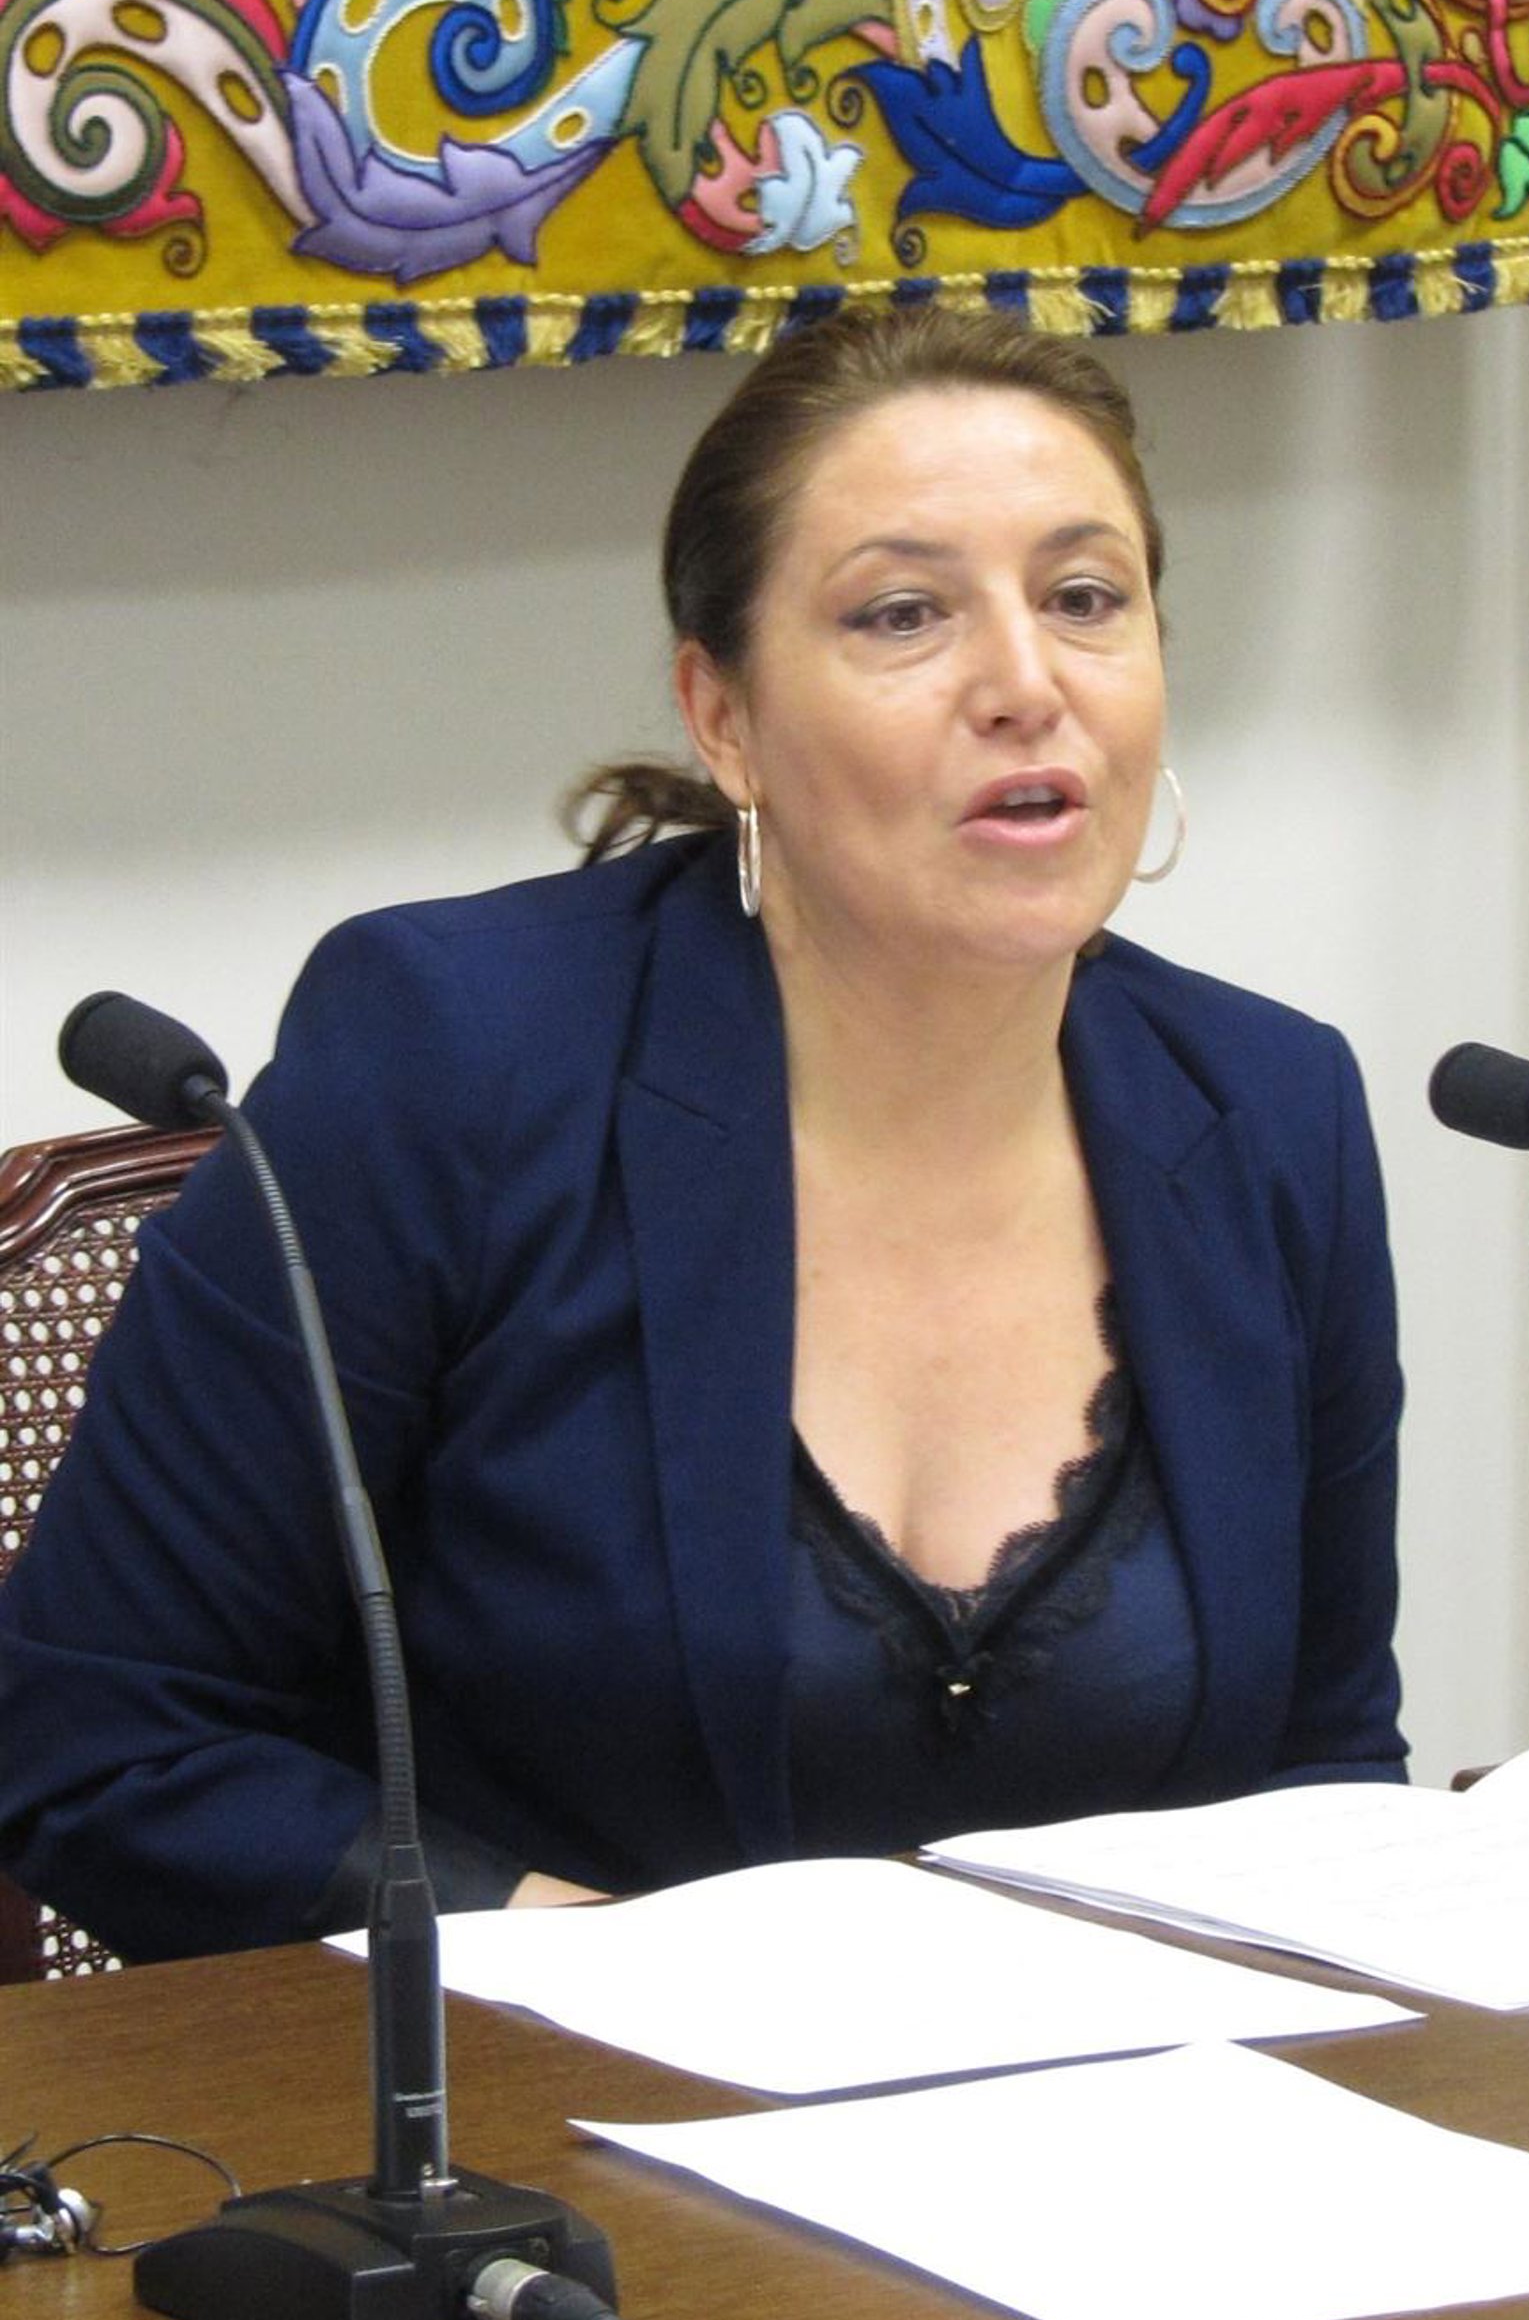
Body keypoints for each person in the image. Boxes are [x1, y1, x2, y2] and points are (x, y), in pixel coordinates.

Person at [0, 307, 1406, 1962]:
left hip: (1132, 2103)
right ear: (722, 716)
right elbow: (107, 1731)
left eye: (1086, 598)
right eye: (903, 613)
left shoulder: (1270, 1113)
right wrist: (589, 1969)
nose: (1027, 685)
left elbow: (1328, 1766)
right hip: (550, 2097)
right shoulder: (451, 1061)